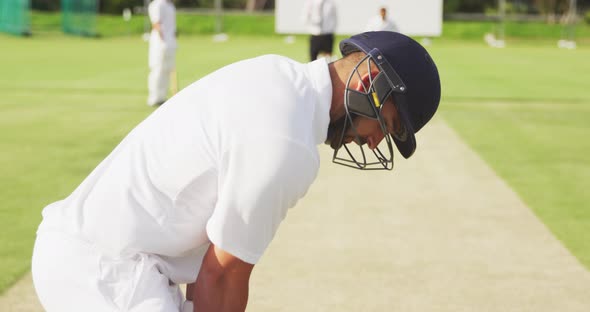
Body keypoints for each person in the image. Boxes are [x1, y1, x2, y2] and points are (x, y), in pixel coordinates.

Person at [31, 31, 441, 311]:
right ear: (369, 81)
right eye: (387, 124)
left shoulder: (278, 76)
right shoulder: (288, 142)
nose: (374, 141)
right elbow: (222, 277)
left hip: (107, 258)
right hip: (105, 268)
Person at [147, 0, 177, 107]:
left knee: (167, 70)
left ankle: (162, 97)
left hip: (170, 43)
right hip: (160, 44)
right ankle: (154, 97)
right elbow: (156, 23)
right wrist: (163, 40)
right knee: (158, 69)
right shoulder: (157, 4)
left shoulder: (170, 5)